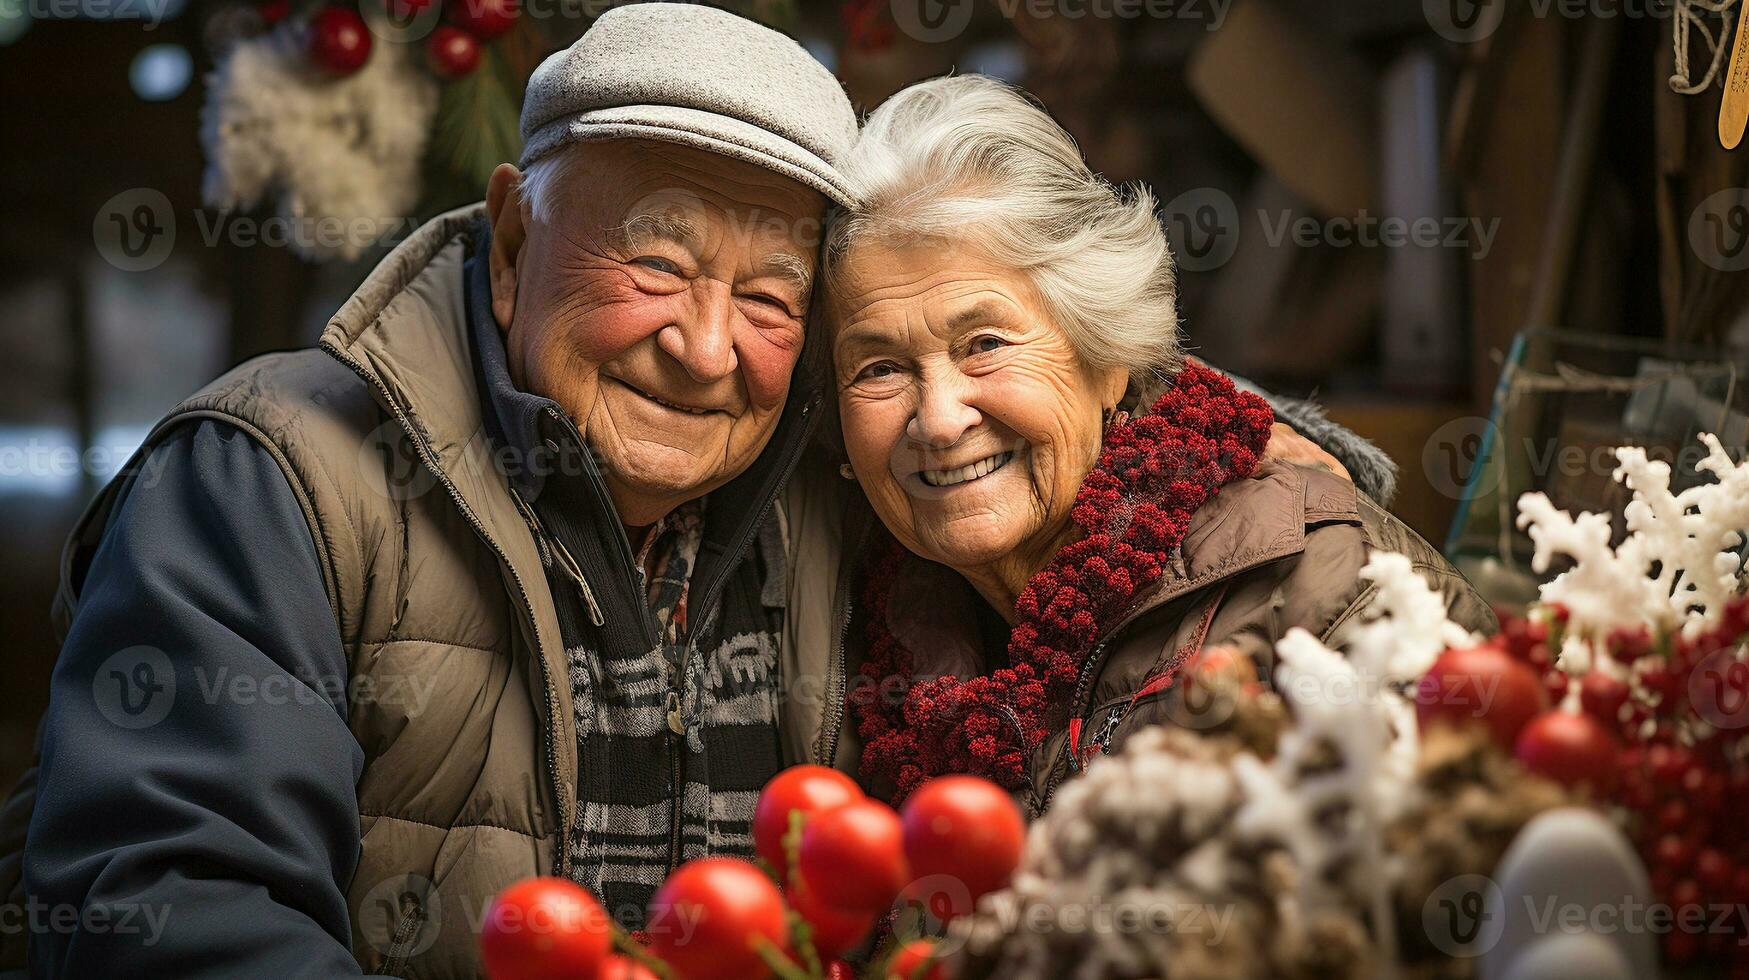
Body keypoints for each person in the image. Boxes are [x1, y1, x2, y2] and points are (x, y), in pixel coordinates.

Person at [8, 5, 858, 975]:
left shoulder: (835, 509)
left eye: (769, 298)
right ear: (509, 245)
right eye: (657, 263)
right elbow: (175, 913)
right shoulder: (266, 475)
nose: (707, 350)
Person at [780, 75, 1496, 812]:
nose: (936, 418)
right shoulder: (855, 617)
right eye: (879, 368)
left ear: (1107, 357)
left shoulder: (1327, 595)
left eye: (984, 343)